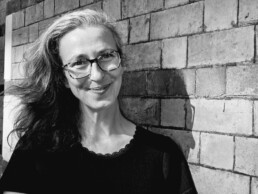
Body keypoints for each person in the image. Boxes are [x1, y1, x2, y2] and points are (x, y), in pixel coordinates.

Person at [0, 9, 197, 194]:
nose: (97, 75)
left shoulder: (164, 155)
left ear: (122, 64)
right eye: (79, 63)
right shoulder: (36, 150)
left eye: (106, 56)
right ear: (64, 79)